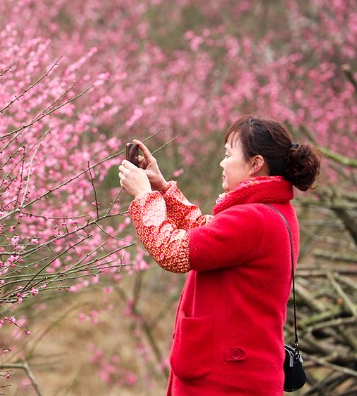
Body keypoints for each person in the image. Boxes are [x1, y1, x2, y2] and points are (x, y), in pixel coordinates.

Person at [118, 116, 321, 395]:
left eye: (228, 155)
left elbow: (173, 252)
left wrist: (144, 197)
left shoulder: (255, 218)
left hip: (225, 380)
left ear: (255, 164)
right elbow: (207, 231)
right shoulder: (270, 210)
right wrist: (162, 189)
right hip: (236, 372)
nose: (222, 163)